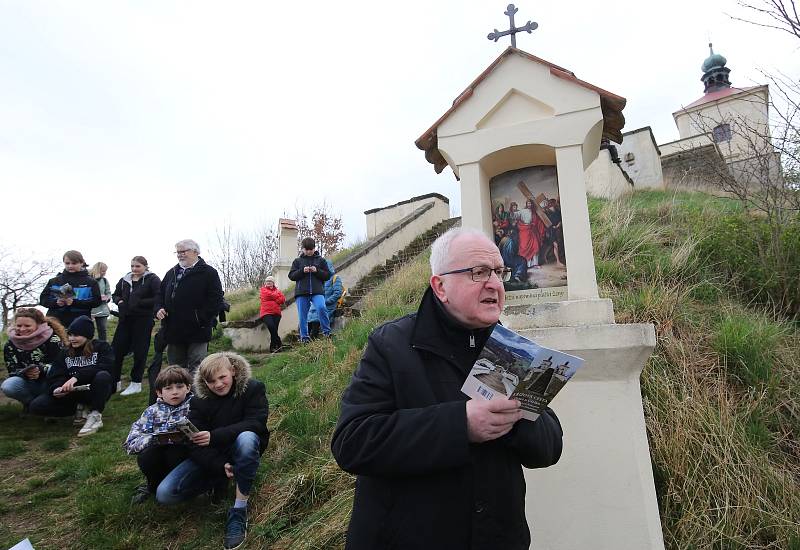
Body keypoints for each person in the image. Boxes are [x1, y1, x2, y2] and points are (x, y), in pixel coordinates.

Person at [331, 227, 564, 550]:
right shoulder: (391, 345)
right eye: (478, 272)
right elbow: (352, 442)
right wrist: (460, 425)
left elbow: (550, 448)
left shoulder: (513, 351)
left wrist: (513, 422)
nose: (495, 284)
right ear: (440, 286)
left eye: (499, 272)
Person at [156, 352, 269, 550]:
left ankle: (239, 509)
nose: (218, 384)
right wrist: (219, 465)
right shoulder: (198, 401)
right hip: (214, 455)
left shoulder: (253, 388)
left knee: (248, 437)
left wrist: (214, 436)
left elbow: (257, 423)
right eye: (210, 381)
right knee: (165, 494)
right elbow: (193, 443)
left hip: (243, 447)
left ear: (233, 371)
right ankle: (219, 479)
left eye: (222, 377)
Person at [29, 316, 115, 437]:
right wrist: (57, 388)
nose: (72, 339)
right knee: (36, 406)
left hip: (95, 390)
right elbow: (55, 375)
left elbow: (106, 367)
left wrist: (76, 377)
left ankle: (95, 415)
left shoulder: (102, 347)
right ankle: (78, 410)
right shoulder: (65, 352)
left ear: (87, 335)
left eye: (76, 335)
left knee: (103, 375)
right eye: (70, 335)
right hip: (72, 393)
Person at [123, 366, 194, 504]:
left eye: (179, 386)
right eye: (168, 388)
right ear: (159, 392)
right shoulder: (151, 412)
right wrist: (153, 438)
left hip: (186, 454)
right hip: (157, 453)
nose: (175, 392)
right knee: (147, 456)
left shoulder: (196, 406)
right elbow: (130, 443)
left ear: (188, 388)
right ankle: (153, 486)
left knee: (175, 453)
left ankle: (190, 486)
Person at [155, 239, 224, 374]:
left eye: (183, 251)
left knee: (197, 368)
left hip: (198, 329)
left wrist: (201, 318)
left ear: (195, 252)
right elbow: (160, 293)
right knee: (175, 369)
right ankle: (179, 395)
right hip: (173, 328)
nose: (180, 255)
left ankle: (196, 395)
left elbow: (215, 299)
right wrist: (158, 308)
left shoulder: (209, 272)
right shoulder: (172, 272)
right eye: (178, 252)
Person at [112, 256, 161, 396]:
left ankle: (136, 383)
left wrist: (140, 302)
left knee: (140, 351)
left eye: (137, 266)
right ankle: (115, 382)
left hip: (143, 319)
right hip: (125, 319)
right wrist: (119, 301)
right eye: (132, 266)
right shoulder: (124, 280)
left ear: (145, 266)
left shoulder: (152, 279)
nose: (134, 269)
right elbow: (115, 295)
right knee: (116, 350)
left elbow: (158, 296)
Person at [2, 309, 66, 409]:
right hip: (25, 380)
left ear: (39, 324)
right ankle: (30, 404)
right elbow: (12, 370)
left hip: (49, 380)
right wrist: (25, 373)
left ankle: (51, 405)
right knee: (8, 386)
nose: (22, 329)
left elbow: (61, 364)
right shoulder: (10, 344)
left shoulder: (53, 339)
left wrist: (40, 369)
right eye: (19, 326)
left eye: (27, 326)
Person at [40, 250, 102, 328]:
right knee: (55, 340)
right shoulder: (54, 281)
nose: (70, 266)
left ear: (81, 263)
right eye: (67, 263)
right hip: (55, 321)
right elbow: (43, 299)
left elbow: (97, 301)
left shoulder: (91, 282)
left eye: (74, 263)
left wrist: (74, 302)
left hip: (80, 322)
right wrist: (56, 302)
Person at [288, 237, 331, 343]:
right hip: (301, 293)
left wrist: (317, 271)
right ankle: (305, 337)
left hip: (317, 291)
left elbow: (327, 275)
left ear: (314, 248)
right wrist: (302, 271)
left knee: (321, 308)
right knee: (303, 316)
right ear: (302, 249)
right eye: (306, 249)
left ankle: (327, 333)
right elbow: (291, 276)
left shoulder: (321, 260)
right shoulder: (297, 261)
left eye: (310, 249)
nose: (308, 251)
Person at [307, 259, 343, 338]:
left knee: (316, 319)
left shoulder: (335, 278)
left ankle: (313, 339)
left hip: (328, 304)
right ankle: (306, 341)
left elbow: (338, 293)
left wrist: (327, 301)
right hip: (317, 304)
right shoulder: (320, 279)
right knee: (308, 319)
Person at [258, 276, 285, 352]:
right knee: (271, 327)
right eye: (267, 281)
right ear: (265, 283)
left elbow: (282, 300)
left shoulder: (277, 290)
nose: (269, 283)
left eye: (270, 281)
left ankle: (273, 347)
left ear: (273, 283)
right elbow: (267, 295)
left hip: (277, 313)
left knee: (274, 330)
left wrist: (275, 297)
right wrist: (276, 298)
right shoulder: (263, 290)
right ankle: (279, 343)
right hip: (266, 313)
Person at [89, 262, 112, 341]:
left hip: (102, 309)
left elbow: (108, 293)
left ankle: (103, 347)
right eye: (103, 271)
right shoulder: (88, 279)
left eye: (105, 271)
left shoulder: (105, 281)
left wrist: (107, 298)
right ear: (97, 270)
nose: (104, 273)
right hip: (90, 309)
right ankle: (87, 348)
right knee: (88, 330)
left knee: (102, 329)